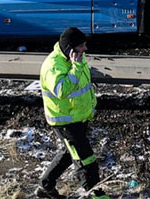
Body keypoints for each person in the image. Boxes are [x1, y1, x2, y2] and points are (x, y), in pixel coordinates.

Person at [35, 27, 109, 199]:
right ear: (70, 49)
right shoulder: (53, 66)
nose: (85, 49)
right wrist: (76, 67)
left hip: (78, 118)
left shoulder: (76, 59)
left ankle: (45, 187)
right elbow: (62, 90)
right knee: (86, 159)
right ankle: (95, 194)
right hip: (66, 122)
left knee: (70, 153)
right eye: (82, 46)